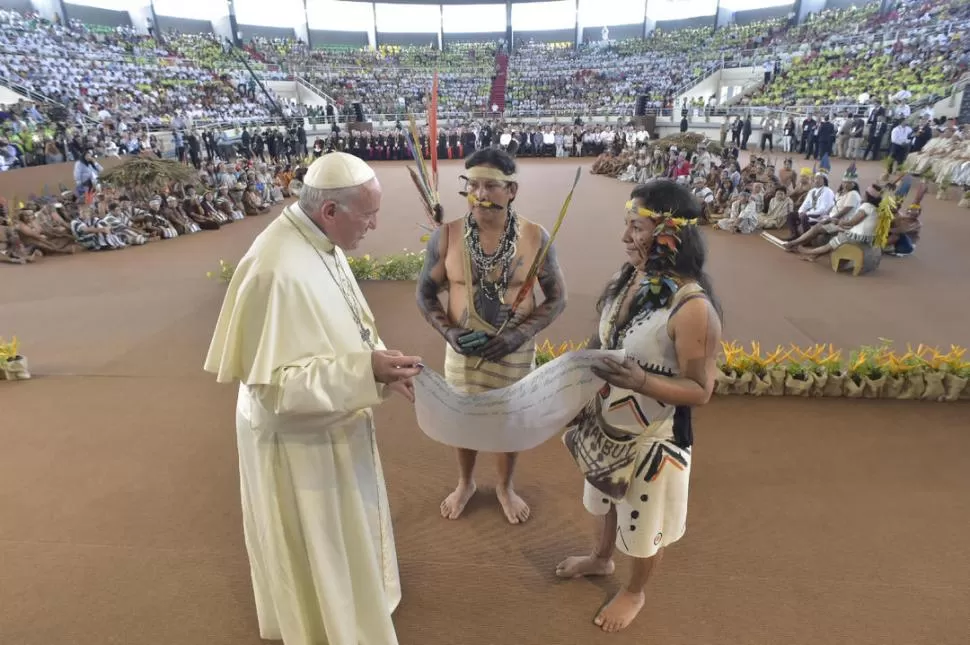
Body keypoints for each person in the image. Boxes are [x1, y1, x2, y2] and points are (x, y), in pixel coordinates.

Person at [203, 152, 422, 645]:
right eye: (368, 215)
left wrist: (379, 366)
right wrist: (365, 370)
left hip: (333, 419)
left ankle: (363, 604)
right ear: (330, 211)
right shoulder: (275, 269)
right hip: (300, 444)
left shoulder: (318, 240)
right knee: (321, 542)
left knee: (347, 532)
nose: (373, 225)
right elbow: (275, 385)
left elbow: (342, 319)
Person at [557, 179, 722, 633]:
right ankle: (601, 558)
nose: (625, 237)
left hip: (655, 439)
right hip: (607, 423)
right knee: (605, 498)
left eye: (636, 227)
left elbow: (701, 390)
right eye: (626, 225)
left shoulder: (693, 310)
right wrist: (574, 384)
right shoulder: (628, 277)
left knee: (645, 523)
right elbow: (603, 339)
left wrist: (642, 380)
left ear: (671, 233)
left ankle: (635, 590)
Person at [416, 148, 567, 524]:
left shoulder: (535, 237)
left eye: (491, 186)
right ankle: (465, 481)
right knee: (462, 417)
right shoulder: (447, 236)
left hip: (513, 353)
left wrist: (519, 336)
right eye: (473, 185)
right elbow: (425, 293)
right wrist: (448, 331)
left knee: (508, 419)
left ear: (511, 190)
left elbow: (557, 297)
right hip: (462, 351)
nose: (480, 195)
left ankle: (504, 485)